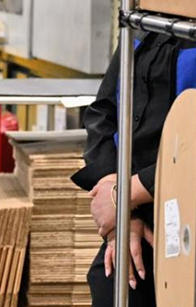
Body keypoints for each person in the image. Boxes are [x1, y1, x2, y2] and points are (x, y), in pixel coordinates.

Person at [72, 31, 196, 306]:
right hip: (137, 220)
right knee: (113, 285)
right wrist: (122, 216)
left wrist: (126, 195)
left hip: (186, 216)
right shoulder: (144, 23)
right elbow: (103, 112)